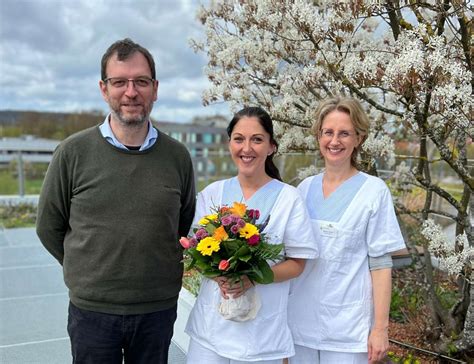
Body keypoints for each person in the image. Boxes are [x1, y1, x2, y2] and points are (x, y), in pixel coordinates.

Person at [36, 38, 196, 364]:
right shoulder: (72, 153)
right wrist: (88, 270)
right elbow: (48, 226)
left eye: (141, 81)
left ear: (155, 88)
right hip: (92, 310)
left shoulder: (177, 156)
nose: (131, 92)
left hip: (156, 308)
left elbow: (183, 223)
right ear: (103, 88)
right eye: (119, 81)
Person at [185, 106, 319, 363]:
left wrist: (253, 278)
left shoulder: (288, 198)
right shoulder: (212, 193)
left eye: (257, 139)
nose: (247, 148)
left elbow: (298, 263)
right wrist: (219, 275)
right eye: (239, 139)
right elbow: (198, 252)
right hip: (210, 332)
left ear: (271, 147)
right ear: (229, 144)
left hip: (260, 337)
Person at [288, 96, 406, 364]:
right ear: (318, 136)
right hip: (299, 324)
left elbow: (380, 263)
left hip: (348, 330)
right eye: (328, 132)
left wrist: (380, 329)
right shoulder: (303, 189)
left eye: (344, 133)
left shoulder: (373, 191)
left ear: (359, 138)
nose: (334, 141)